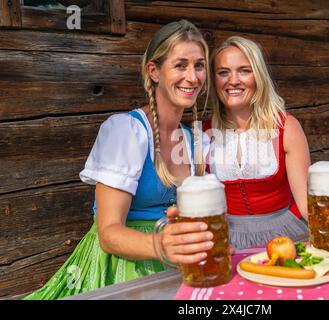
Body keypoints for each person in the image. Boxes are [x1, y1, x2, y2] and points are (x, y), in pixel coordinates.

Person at [24, 20, 213, 300]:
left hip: (178, 264)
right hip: (123, 267)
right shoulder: (127, 131)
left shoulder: (195, 139)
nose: (192, 76)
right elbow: (108, 233)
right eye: (180, 65)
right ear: (154, 71)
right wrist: (161, 245)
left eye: (199, 65)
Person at [202, 36, 329, 249]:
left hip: (285, 234)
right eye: (223, 72)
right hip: (225, 239)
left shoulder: (286, 127)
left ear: (259, 76)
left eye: (244, 70)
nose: (233, 80)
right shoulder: (202, 134)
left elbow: (308, 206)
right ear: (214, 79)